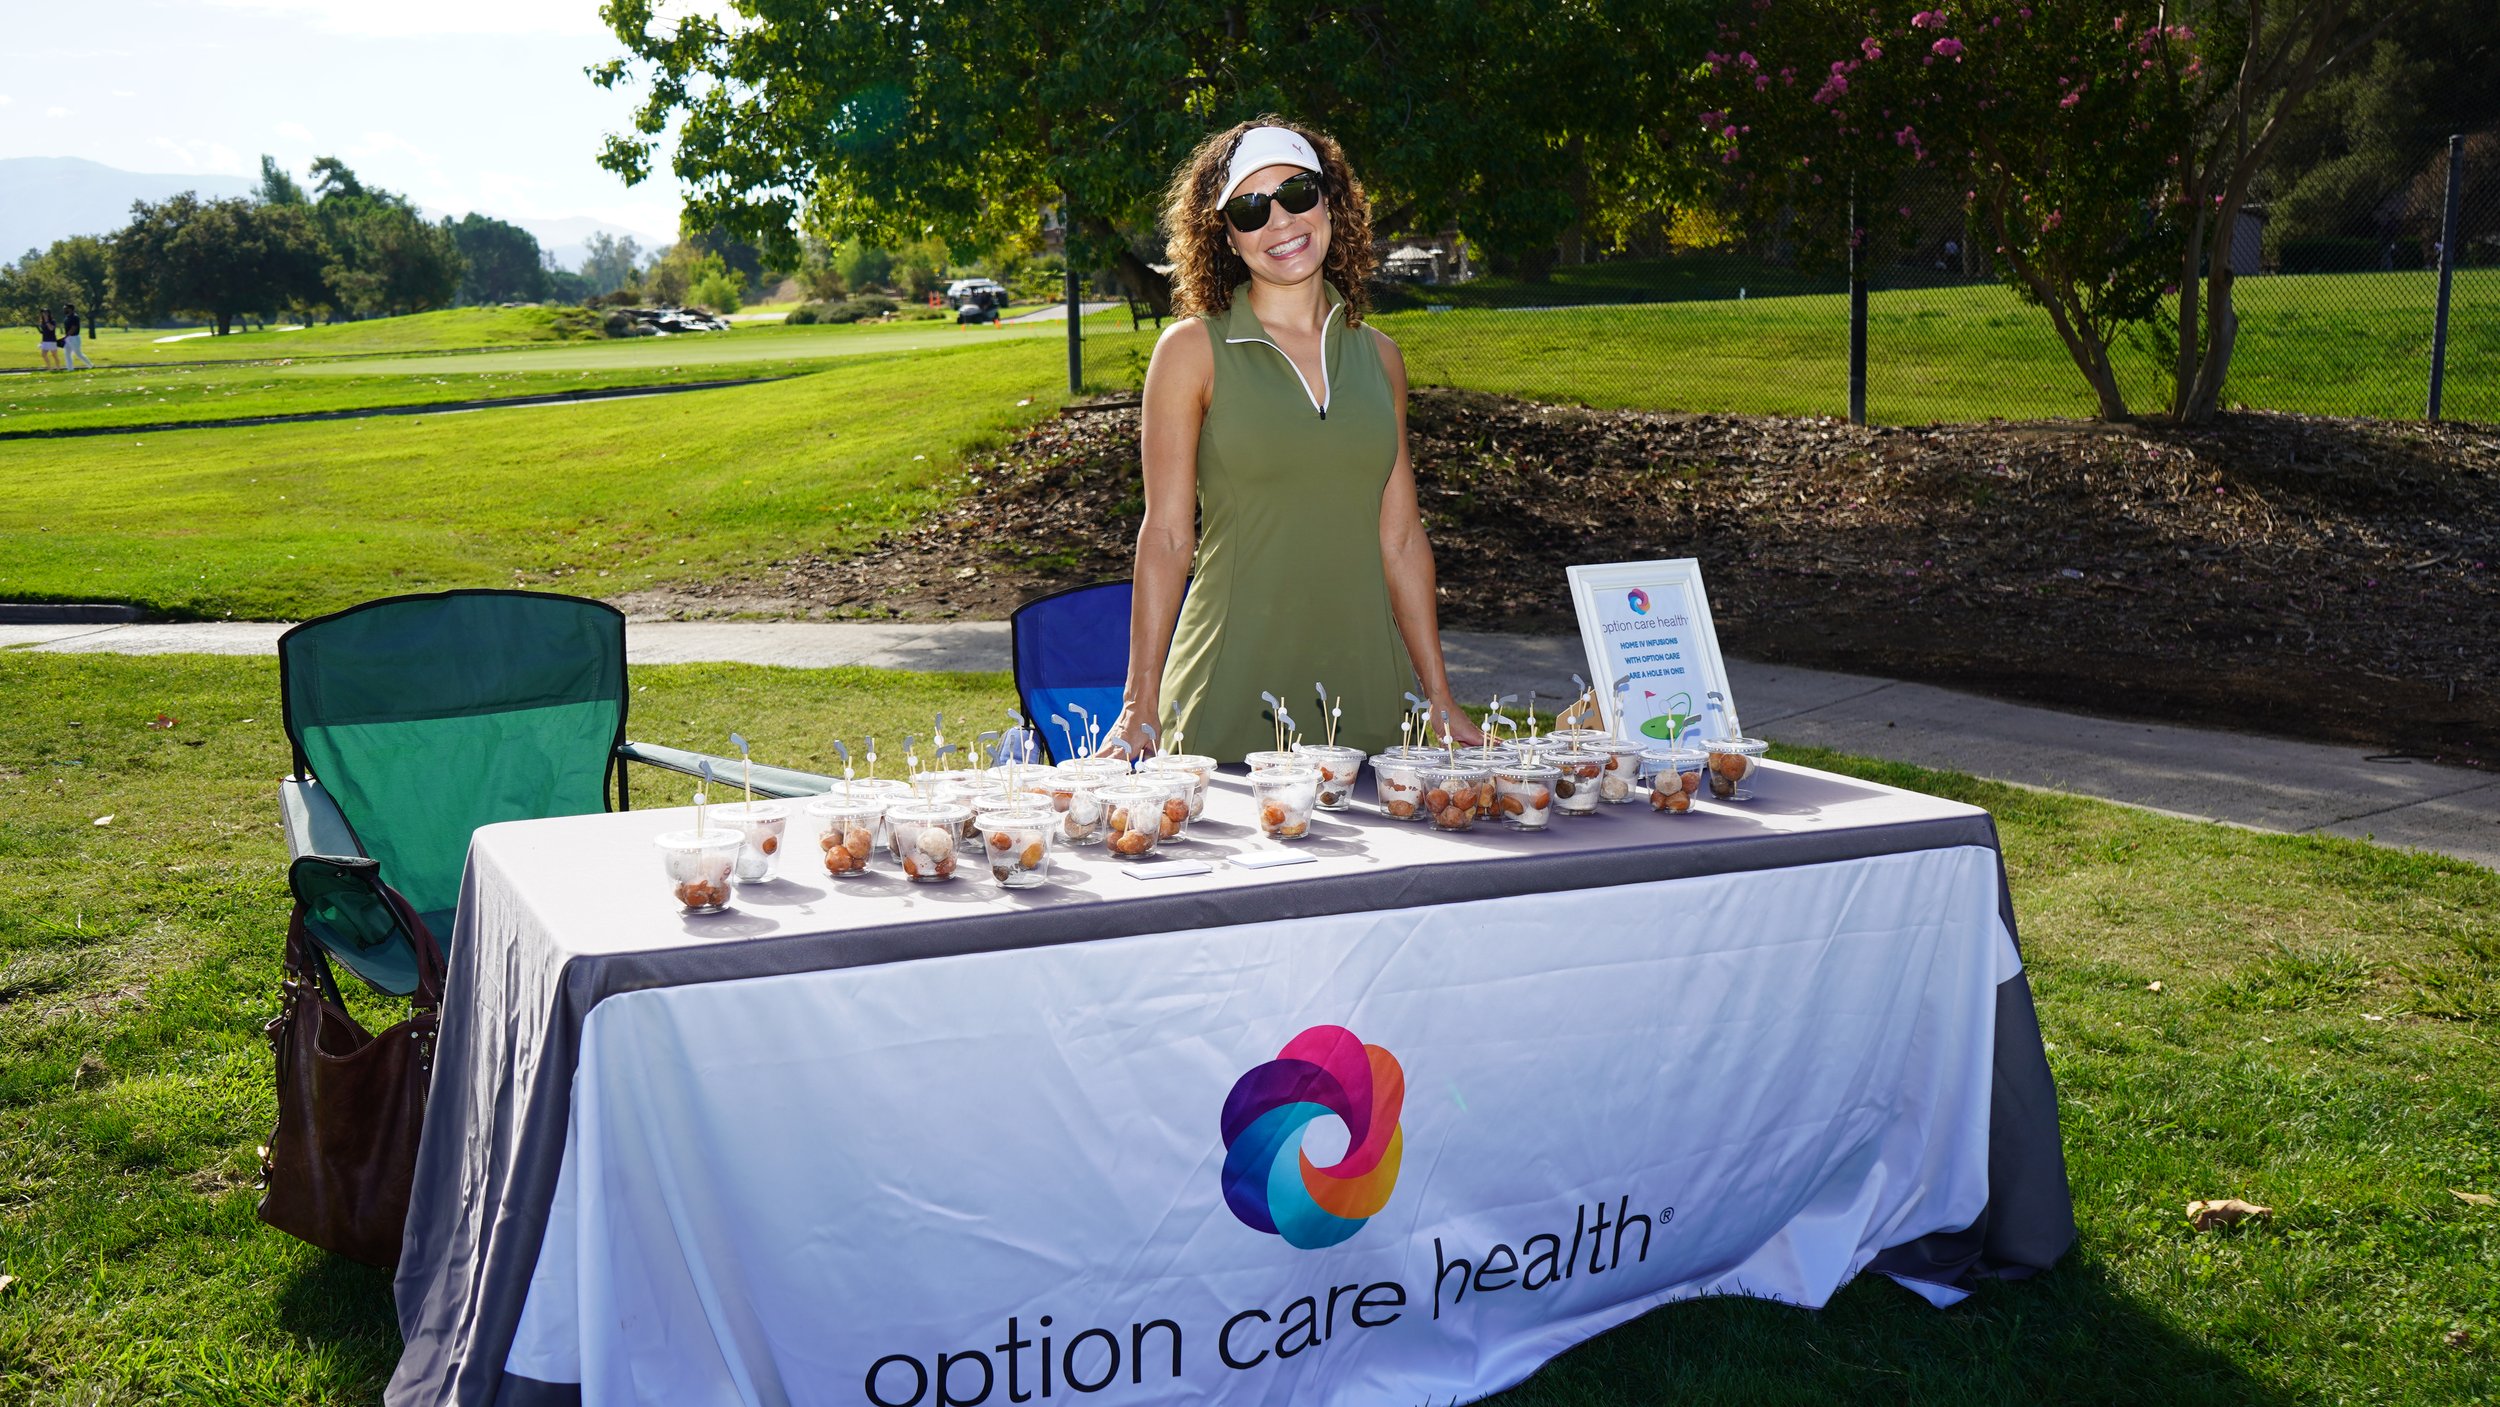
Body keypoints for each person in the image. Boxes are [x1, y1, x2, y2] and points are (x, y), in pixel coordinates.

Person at [1101, 118, 1484, 761]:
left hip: (1367, 693)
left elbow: (1401, 537)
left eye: (1298, 194)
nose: (1280, 221)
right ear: (1224, 235)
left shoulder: (1381, 358)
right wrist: (1139, 705)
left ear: (1330, 203)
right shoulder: (1192, 351)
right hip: (1230, 686)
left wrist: (1439, 696)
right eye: (1250, 209)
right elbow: (1167, 534)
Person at [60, 303, 92, 370]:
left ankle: (90, 365)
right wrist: (66, 337)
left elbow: (73, 328)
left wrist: (66, 336)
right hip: (68, 338)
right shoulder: (67, 317)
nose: (64, 310)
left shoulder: (75, 317)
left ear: (70, 309)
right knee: (67, 354)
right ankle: (70, 369)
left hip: (74, 338)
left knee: (78, 354)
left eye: (66, 308)